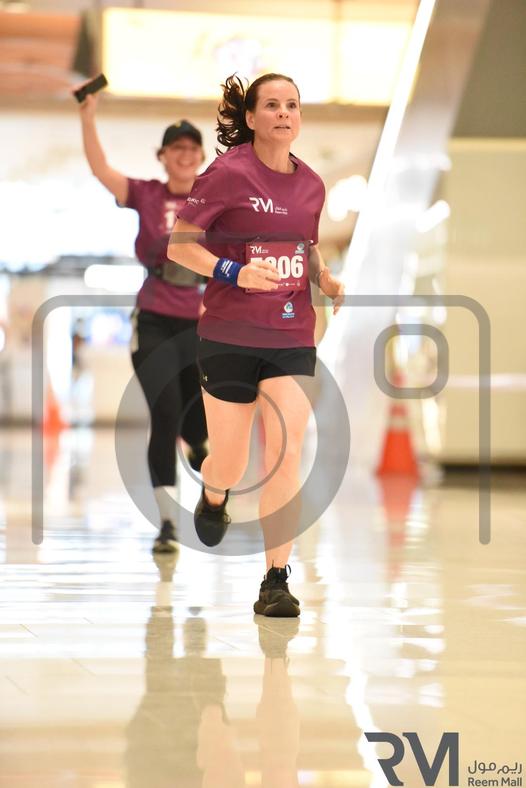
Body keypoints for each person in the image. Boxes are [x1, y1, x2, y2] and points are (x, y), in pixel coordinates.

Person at [168, 73, 344, 617]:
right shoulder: (227, 173)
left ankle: (275, 580)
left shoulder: (312, 185)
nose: (284, 113)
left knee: (285, 454)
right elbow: (179, 246)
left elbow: (306, 247)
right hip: (228, 337)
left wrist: (324, 277)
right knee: (230, 461)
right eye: (272, 105)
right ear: (250, 117)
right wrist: (234, 271)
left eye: (292, 104)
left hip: (291, 335)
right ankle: (214, 493)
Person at [76, 91, 208, 554]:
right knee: (165, 414)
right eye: (177, 148)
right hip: (153, 319)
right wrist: (88, 116)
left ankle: (200, 448)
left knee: (197, 422)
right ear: (163, 156)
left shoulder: (213, 200)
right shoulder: (148, 194)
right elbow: (101, 169)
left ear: (201, 157)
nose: (185, 155)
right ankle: (167, 522)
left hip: (199, 324)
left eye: (192, 149)